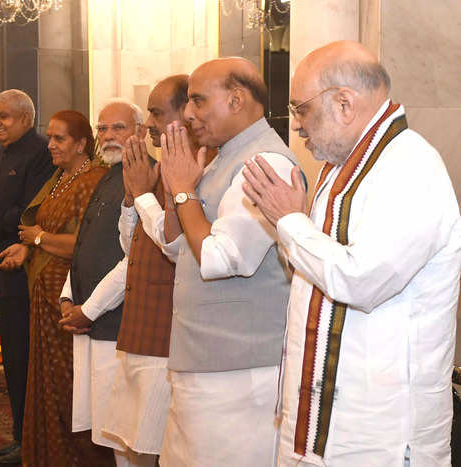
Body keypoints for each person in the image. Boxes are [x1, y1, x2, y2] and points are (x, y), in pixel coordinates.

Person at [243, 40, 461, 466]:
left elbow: (362, 280)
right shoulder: (341, 167)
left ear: (344, 103)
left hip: (378, 436)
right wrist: (292, 226)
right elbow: (314, 275)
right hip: (329, 426)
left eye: (301, 109)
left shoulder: (410, 167)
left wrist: (290, 222)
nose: (297, 125)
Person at [154, 58, 300, 466]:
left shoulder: (266, 161)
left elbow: (221, 258)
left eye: (198, 100)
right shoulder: (222, 158)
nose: (188, 113)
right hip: (207, 363)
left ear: (236, 99)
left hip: (240, 372)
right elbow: (179, 248)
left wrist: (185, 191)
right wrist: (176, 194)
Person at [0, 110, 111, 467]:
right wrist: (27, 246)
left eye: (59, 138)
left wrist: (39, 238)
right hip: (43, 296)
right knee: (47, 384)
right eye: (50, 137)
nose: (50, 145)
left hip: (69, 297)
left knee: (70, 388)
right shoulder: (61, 177)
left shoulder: (93, 180)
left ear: (81, 143)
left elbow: (87, 242)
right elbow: (41, 230)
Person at [0, 89, 54, 463]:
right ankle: (20, 436)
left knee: (26, 360)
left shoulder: (39, 154)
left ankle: (30, 442)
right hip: (3, 268)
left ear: (25, 118)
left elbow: (30, 209)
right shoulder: (3, 154)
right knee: (13, 360)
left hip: (24, 272)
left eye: (4, 116)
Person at [56, 99, 146, 466]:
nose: (108, 136)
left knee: (128, 431)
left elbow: (135, 259)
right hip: (92, 321)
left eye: (118, 128)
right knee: (109, 426)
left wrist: (88, 309)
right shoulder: (107, 175)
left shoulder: (147, 177)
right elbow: (85, 246)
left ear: (140, 132)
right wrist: (67, 296)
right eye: (102, 128)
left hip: (120, 326)